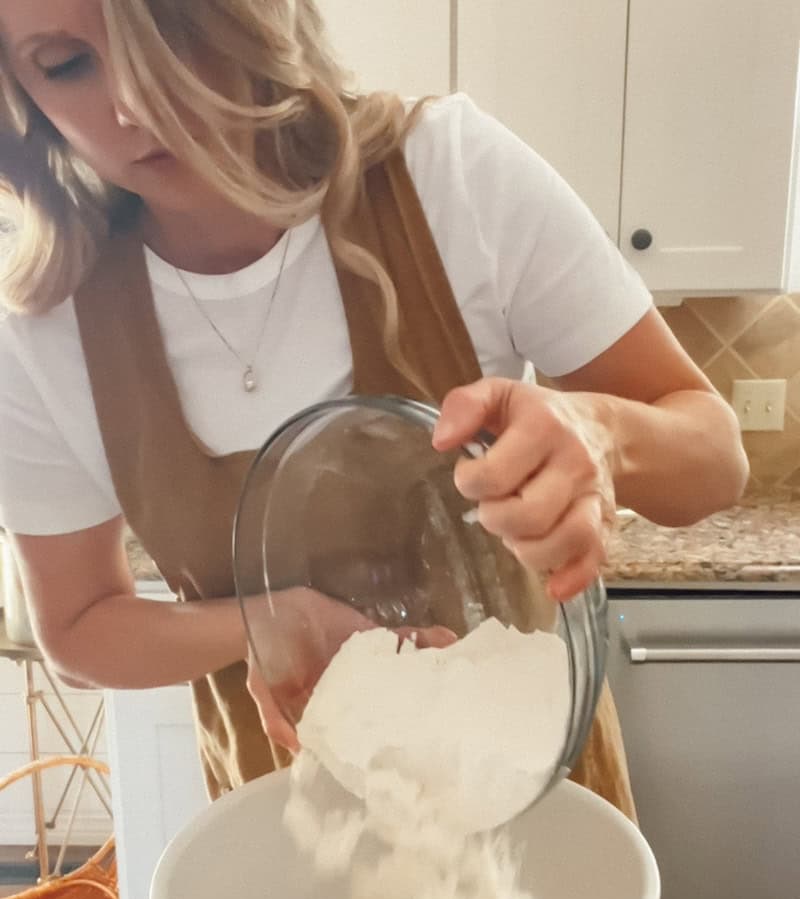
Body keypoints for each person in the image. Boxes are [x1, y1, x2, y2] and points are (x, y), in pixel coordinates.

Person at [0, 1, 748, 811]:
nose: (135, 105)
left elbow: (714, 462)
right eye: (66, 64)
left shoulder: (450, 180)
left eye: (172, 32)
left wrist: (601, 435)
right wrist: (273, 624)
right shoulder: (45, 330)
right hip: (288, 813)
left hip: (540, 784)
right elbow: (77, 629)